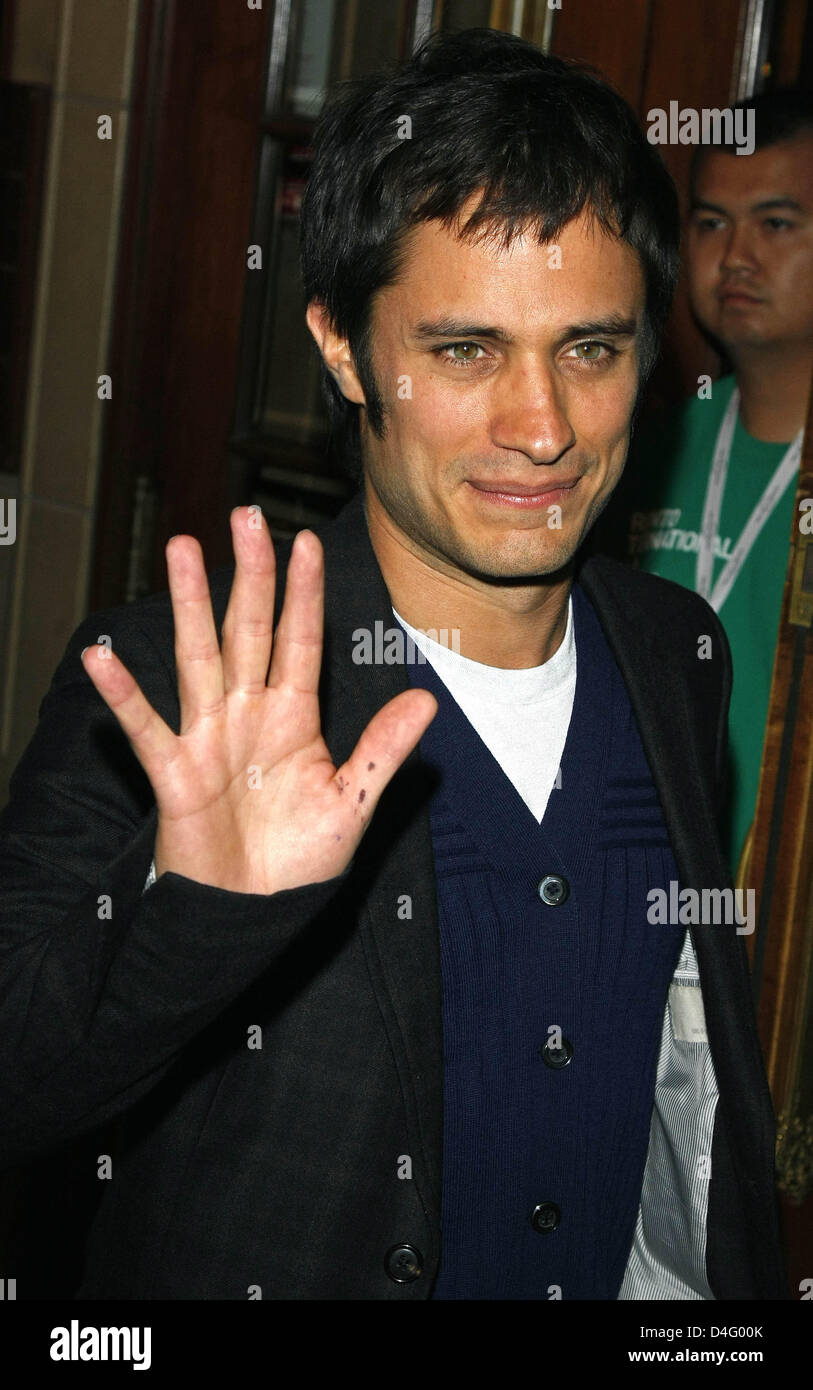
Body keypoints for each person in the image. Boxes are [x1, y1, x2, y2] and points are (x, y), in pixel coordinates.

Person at [0, 29, 786, 1300]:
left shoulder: (675, 653)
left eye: (589, 348)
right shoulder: (168, 682)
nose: (542, 429)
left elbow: (679, 1095)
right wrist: (180, 913)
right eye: (466, 351)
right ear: (344, 348)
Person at [602, 90, 813, 876]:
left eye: (776, 223)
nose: (736, 257)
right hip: (637, 880)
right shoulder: (632, 445)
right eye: (711, 223)